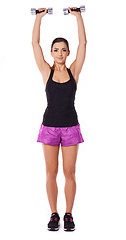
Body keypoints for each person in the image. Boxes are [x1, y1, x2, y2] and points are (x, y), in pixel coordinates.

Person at [32, 7, 86, 231]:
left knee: (69, 173)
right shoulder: (46, 71)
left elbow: (84, 44)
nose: (60, 53)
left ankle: (69, 215)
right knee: (51, 173)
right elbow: (35, 45)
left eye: (64, 50)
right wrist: (39, 17)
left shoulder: (74, 71)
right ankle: (54, 214)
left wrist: (78, 16)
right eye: (56, 50)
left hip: (71, 126)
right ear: (52, 53)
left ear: (68, 52)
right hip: (50, 128)